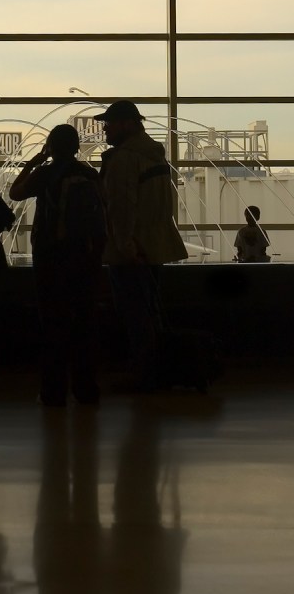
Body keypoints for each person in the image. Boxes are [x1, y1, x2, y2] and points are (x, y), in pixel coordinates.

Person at [94, 100, 188, 392]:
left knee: (135, 314)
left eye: (109, 123)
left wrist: (124, 245)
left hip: (132, 250)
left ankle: (144, 375)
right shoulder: (156, 156)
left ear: (127, 124)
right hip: (155, 245)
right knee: (150, 311)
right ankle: (157, 371)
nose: (105, 129)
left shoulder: (125, 158)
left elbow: (121, 206)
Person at [9, 124, 105, 406]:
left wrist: (34, 162)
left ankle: (53, 391)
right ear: (76, 147)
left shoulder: (47, 174)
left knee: (53, 324)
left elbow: (15, 193)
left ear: (51, 147)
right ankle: (86, 389)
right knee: (84, 322)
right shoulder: (90, 174)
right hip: (85, 257)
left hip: (51, 256)